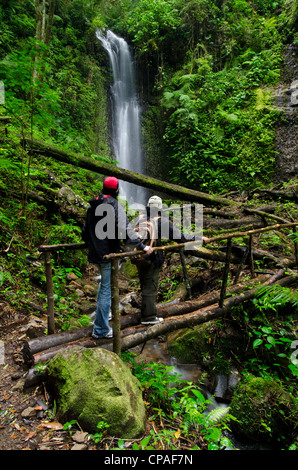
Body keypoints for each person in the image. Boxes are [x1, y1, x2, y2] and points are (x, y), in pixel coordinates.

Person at [82, 176, 152, 339]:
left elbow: (85, 232)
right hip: (108, 254)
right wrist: (142, 247)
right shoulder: (114, 205)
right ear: (116, 190)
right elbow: (126, 230)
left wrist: (92, 242)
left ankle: (102, 318)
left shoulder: (93, 205)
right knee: (106, 289)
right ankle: (100, 329)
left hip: (95, 253)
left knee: (103, 287)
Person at [132, 195, 201, 325]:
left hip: (138, 256)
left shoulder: (139, 218)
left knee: (145, 284)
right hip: (151, 257)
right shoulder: (161, 221)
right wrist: (197, 237)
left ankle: (146, 311)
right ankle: (149, 317)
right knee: (150, 286)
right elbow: (180, 238)